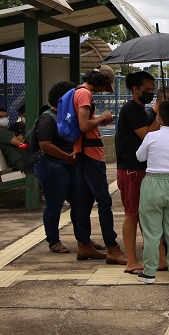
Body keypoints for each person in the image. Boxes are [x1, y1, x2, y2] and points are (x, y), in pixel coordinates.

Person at [70, 65, 127, 264]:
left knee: (84, 201)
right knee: (104, 201)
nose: (105, 90)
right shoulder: (85, 94)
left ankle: (84, 244)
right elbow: (84, 125)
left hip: (82, 152)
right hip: (90, 154)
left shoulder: (78, 91)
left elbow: (84, 123)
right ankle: (112, 247)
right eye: (106, 86)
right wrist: (102, 118)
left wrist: (98, 121)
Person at [135, 100, 169, 283]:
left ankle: (149, 273)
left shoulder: (151, 136)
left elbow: (139, 157)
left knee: (152, 231)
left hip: (152, 182)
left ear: (159, 118)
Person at [115, 71, 162, 274]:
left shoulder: (140, 109)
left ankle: (158, 258)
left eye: (153, 90)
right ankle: (132, 261)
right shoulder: (132, 109)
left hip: (139, 168)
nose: (150, 93)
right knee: (132, 214)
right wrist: (159, 117)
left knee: (145, 216)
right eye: (147, 90)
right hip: (131, 169)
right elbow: (146, 136)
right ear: (135, 90)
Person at [34, 81, 77, 253]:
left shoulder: (65, 117)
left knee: (79, 202)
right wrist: (67, 157)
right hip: (53, 167)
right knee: (54, 204)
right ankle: (53, 240)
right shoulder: (47, 118)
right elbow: (45, 144)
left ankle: (83, 239)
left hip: (67, 166)